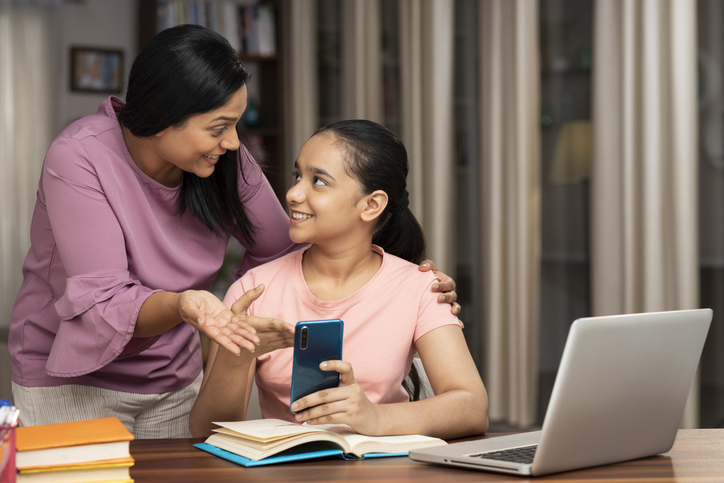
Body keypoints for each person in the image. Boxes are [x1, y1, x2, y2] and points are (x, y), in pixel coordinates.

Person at [8, 25, 457, 439]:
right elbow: (103, 300)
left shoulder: (222, 155)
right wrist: (189, 305)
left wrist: (400, 279)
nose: (234, 142)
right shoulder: (79, 157)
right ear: (165, 115)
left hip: (172, 376)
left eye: (236, 124)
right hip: (71, 378)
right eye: (219, 127)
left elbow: (288, 244)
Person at [190, 120, 489, 440]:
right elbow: (204, 432)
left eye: (318, 181)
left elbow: (472, 407)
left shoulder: (420, 288)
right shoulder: (253, 291)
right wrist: (238, 357)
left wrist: (375, 417)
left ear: (371, 204)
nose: (293, 193)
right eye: (297, 176)